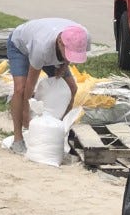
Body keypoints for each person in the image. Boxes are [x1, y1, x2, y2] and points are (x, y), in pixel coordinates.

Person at [7, 18, 90, 155]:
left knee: (72, 89)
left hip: (51, 50)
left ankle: (58, 131)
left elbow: (70, 54)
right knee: (20, 89)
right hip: (20, 45)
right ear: (60, 43)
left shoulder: (84, 37)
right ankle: (18, 139)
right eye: (68, 53)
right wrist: (26, 112)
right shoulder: (41, 47)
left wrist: (63, 65)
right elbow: (30, 84)